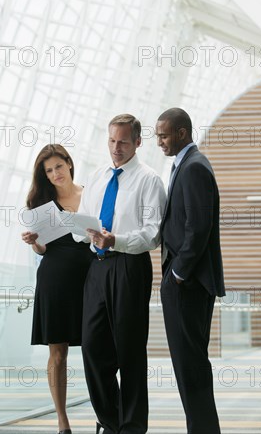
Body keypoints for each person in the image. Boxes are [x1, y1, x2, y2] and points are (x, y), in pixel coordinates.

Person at [74, 114, 166, 434]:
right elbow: (82, 225)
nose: (116, 147)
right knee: (92, 348)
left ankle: (131, 427)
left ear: (138, 142)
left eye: (124, 141)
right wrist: (78, 229)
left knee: (129, 351)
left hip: (129, 266)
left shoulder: (149, 180)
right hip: (97, 267)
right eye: (112, 141)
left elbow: (152, 235)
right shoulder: (98, 176)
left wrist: (117, 239)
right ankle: (110, 420)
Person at [155, 108, 225, 434]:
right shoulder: (187, 164)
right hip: (185, 282)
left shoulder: (194, 167)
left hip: (188, 283)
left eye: (163, 135)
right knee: (188, 367)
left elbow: (198, 227)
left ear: (182, 133)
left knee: (191, 367)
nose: (159, 142)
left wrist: (177, 274)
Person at [21, 144, 93, 434]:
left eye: (58, 167)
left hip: (92, 278)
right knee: (58, 353)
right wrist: (34, 242)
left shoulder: (91, 194)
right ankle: (63, 422)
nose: (55, 174)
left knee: (96, 348)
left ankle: (106, 412)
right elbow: (43, 250)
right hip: (55, 280)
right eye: (48, 171)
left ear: (69, 164)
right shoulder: (42, 205)